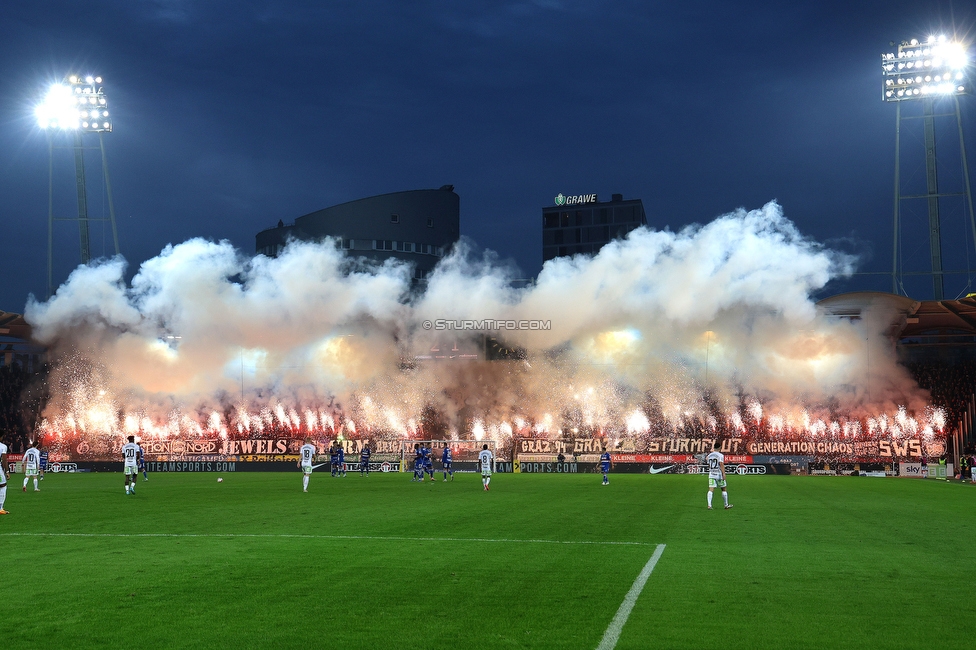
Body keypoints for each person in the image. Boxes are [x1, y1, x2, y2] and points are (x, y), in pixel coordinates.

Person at [706, 441, 733, 510]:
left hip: (711, 474)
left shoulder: (709, 455)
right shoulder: (720, 455)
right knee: (723, 489)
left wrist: (712, 470)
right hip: (719, 475)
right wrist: (723, 473)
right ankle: (726, 505)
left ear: (714, 448)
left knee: (711, 489)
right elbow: (721, 464)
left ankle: (709, 505)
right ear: (720, 448)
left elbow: (709, 465)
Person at [0, 435, 9, 514]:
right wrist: (7, 471)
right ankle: (1, 508)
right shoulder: (3, 446)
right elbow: (4, 460)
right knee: (3, 486)